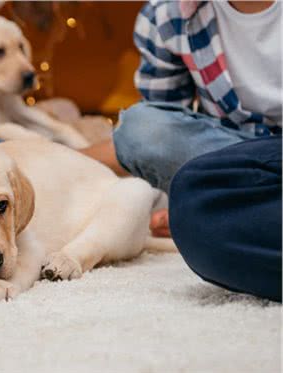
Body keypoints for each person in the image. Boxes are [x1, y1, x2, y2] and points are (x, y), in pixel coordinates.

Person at [81, 1, 281, 300]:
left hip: (249, 169)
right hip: (238, 158)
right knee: (144, 130)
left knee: (197, 205)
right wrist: (48, 158)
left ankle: (238, 206)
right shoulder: (167, 15)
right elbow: (165, 130)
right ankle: (240, 203)